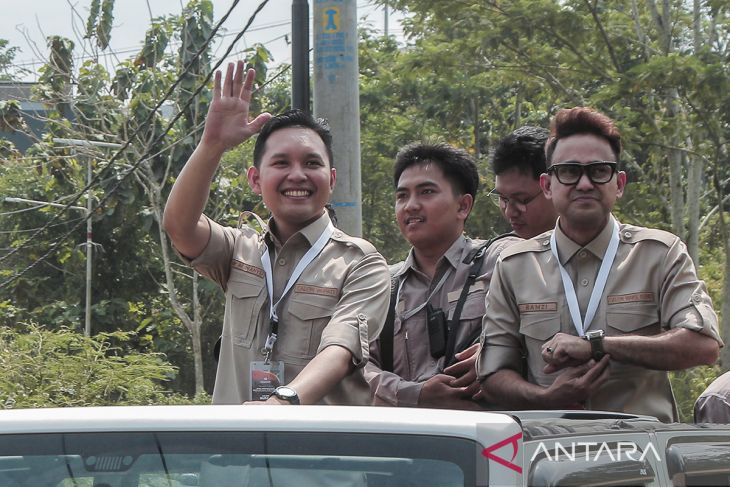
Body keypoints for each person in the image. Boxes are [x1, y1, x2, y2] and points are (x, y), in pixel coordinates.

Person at [163, 61, 390, 406]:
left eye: (311, 164)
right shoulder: (238, 250)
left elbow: (340, 349)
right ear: (255, 180)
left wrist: (281, 404)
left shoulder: (361, 264)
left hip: (320, 455)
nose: (297, 175)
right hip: (235, 452)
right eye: (281, 163)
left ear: (331, 180)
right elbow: (179, 226)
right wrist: (212, 145)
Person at [477, 107, 722, 422]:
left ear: (618, 183)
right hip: (546, 454)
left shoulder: (659, 253)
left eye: (598, 171)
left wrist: (597, 346)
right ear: (548, 185)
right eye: (569, 171)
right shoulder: (514, 265)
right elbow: (493, 374)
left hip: (641, 453)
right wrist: (545, 398)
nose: (583, 183)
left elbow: (703, 346)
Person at [365, 142, 521, 409]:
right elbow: (355, 365)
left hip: (488, 437)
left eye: (426, 192)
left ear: (463, 206)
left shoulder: (501, 262)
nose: (411, 205)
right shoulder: (384, 285)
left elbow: (543, 331)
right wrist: (414, 394)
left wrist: (495, 356)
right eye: (402, 196)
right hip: (410, 440)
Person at [490, 126, 558, 239]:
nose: (509, 212)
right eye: (503, 198)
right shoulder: (500, 253)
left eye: (521, 200)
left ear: (549, 186)